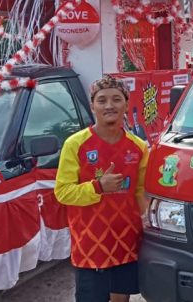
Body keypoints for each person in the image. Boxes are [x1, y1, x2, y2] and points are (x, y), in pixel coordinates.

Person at [54, 75, 149, 302]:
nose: (109, 106)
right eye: (102, 100)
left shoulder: (139, 147)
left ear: (126, 105)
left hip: (126, 241)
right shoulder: (75, 144)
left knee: (121, 297)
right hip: (90, 245)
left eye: (116, 99)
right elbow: (62, 192)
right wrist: (98, 187)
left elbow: (140, 193)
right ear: (92, 106)